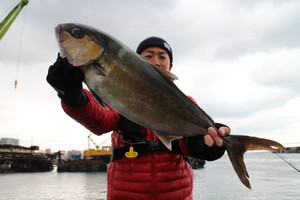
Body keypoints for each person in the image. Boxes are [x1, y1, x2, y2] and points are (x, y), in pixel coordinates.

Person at [47, 36, 230, 200]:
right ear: (134, 62)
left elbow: (188, 143)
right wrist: (72, 95)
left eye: (162, 57)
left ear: (170, 67)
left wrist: (209, 145)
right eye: (148, 56)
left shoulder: (186, 103)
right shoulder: (118, 94)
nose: (156, 61)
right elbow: (100, 120)